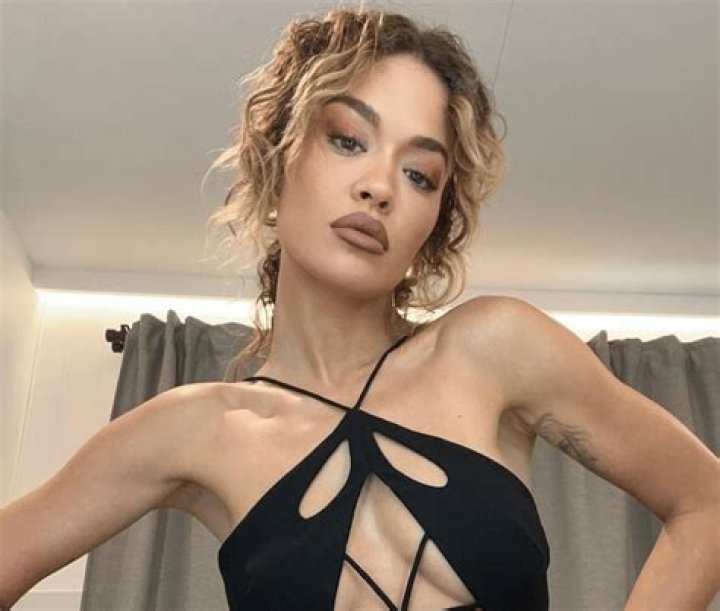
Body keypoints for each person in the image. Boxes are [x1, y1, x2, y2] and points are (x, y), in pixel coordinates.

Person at [2, 4, 718, 611]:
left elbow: (706, 504)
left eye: (420, 173)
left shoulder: (495, 348)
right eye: (348, 139)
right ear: (278, 156)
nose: (380, 186)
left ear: (435, 220)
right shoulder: (196, 429)